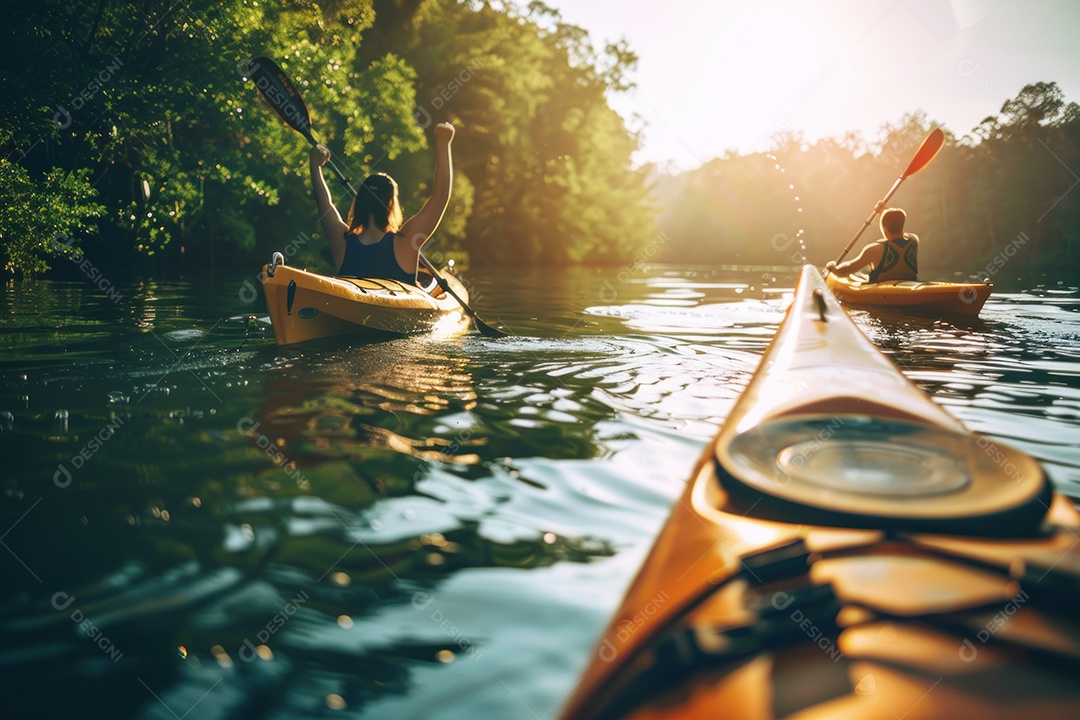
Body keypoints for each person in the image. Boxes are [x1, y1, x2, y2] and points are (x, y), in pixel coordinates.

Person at [309, 122, 455, 285]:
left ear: (358, 203)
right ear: (391, 204)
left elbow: (323, 202)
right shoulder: (406, 241)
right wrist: (443, 143)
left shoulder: (341, 241)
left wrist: (315, 166)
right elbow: (440, 196)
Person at [826, 206, 918, 282]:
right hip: (909, 285)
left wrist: (833, 267)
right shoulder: (913, 240)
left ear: (884, 229)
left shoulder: (874, 250)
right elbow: (896, 222)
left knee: (857, 274)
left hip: (883, 293)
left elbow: (845, 271)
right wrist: (882, 211)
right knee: (862, 275)